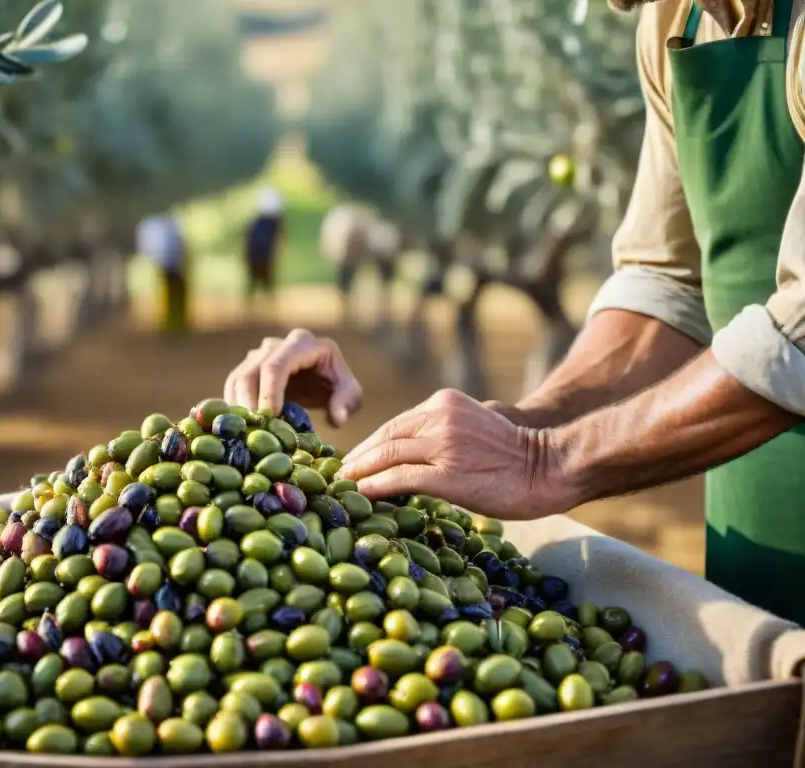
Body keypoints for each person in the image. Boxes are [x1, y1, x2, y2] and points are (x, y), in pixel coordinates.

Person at [223, 0, 805, 626]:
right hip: (753, 518)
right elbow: (667, 282)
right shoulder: (675, 21)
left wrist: (548, 462)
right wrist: (520, 427)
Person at [136, 212, 188, 334]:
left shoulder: (166, 228)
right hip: (171, 266)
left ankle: (175, 322)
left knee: (174, 295)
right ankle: (173, 323)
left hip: (171, 266)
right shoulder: (171, 228)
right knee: (171, 295)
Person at [244, 188, 285, 317]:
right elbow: (279, 241)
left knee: (254, 283)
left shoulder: (255, 221)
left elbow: (246, 240)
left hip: (253, 256)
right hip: (264, 257)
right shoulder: (275, 223)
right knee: (266, 283)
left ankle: (252, 309)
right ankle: (268, 309)